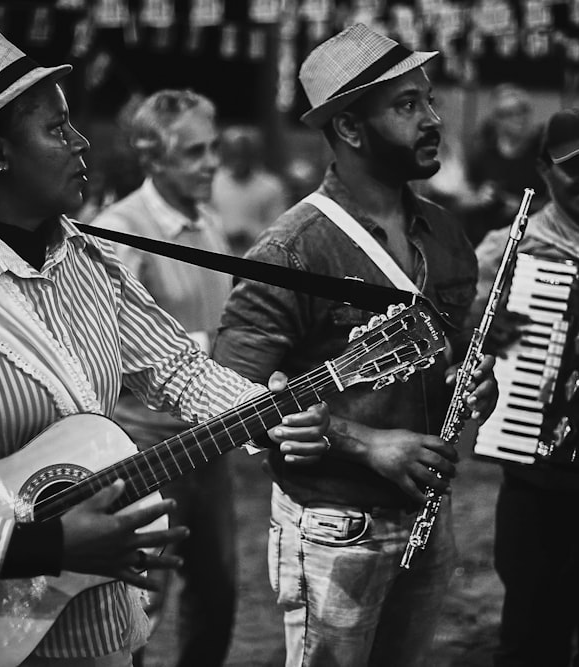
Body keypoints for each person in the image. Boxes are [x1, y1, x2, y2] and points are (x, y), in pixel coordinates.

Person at [0, 23, 329, 667]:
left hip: (96, 623)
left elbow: (177, 369)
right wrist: (37, 547)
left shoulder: (89, 261)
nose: (82, 141)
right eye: (57, 128)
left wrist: (269, 417)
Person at [211, 24, 498, 666]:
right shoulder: (292, 249)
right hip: (335, 528)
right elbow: (227, 400)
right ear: (350, 128)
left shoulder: (447, 234)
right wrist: (365, 443)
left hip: (429, 517)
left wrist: (476, 384)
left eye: (428, 100)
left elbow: (449, 360)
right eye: (405, 106)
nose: (432, 119)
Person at [475, 108, 579, 667]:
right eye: (576, 168)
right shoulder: (511, 246)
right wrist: (483, 323)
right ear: (545, 169)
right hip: (536, 479)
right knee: (532, 636)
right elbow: (454, 327)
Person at [90, 89, 237, 667]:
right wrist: (217, 352)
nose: (211, 163)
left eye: (214, 148)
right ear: (153, 158)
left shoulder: (208, 220)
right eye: (194, 152)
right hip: (145, 450)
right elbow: (106, 352)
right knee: (141, 605)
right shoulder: (117, 230)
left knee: (219, 592)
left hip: (211, 440)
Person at [461, 83, 547, 246]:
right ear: (496, 119)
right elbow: (464, 196)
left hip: (530, 240)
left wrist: (522, 207)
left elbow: (554, 205)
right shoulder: (483, 155)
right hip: (488, 239)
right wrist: (480, 197)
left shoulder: (541, 156)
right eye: (509, 114)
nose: (518, 119)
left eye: (522, 110)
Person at [211, 125, 290, 256]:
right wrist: (225, 232)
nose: (238, 160)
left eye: (243, 154)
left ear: (253, 154)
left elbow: (280, 231)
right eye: (233, 154)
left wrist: (248, 233)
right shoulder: (213, 183)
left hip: (258, 258)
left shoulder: (271, 186)